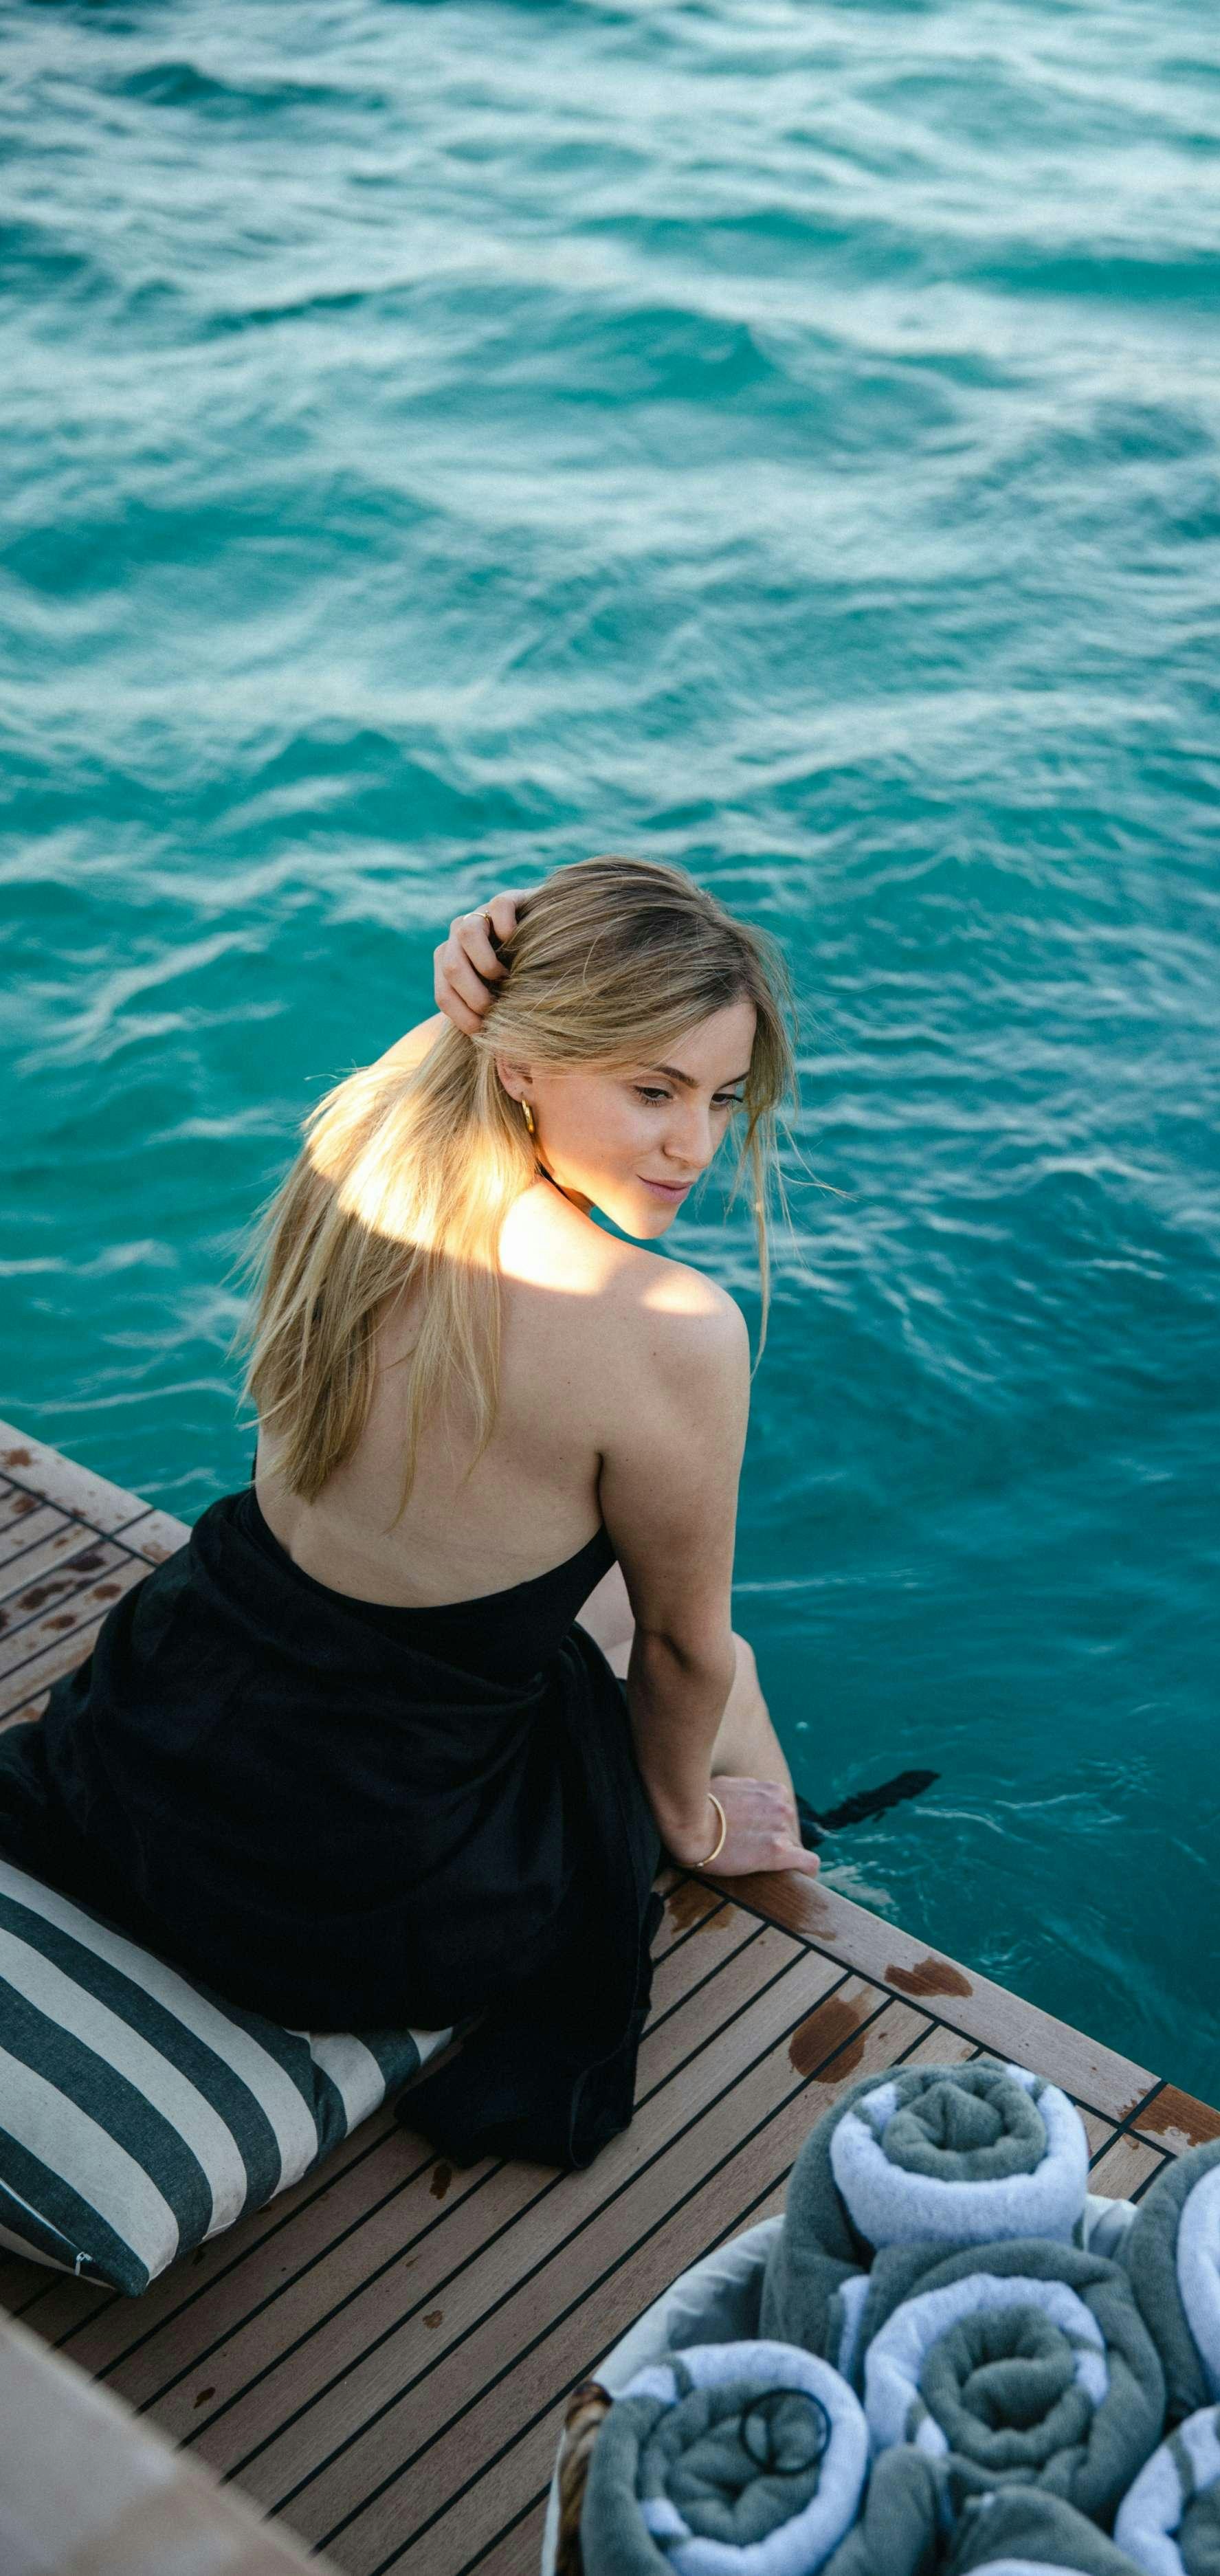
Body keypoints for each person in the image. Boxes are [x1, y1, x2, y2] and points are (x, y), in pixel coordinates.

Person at [0, 855, 820, 2166]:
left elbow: (438, 1059)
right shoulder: (672, 1327)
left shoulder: (360, 1151)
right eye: (652, 1089)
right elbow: (678, 1652)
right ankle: (812, 1897)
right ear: (528, 1063)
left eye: (721, 1099)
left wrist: (473, 978)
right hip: (347, 1880)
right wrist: (684, 1821)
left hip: (149, 1747)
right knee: (723, 1675)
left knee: (590, 1613)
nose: (693, 1146)